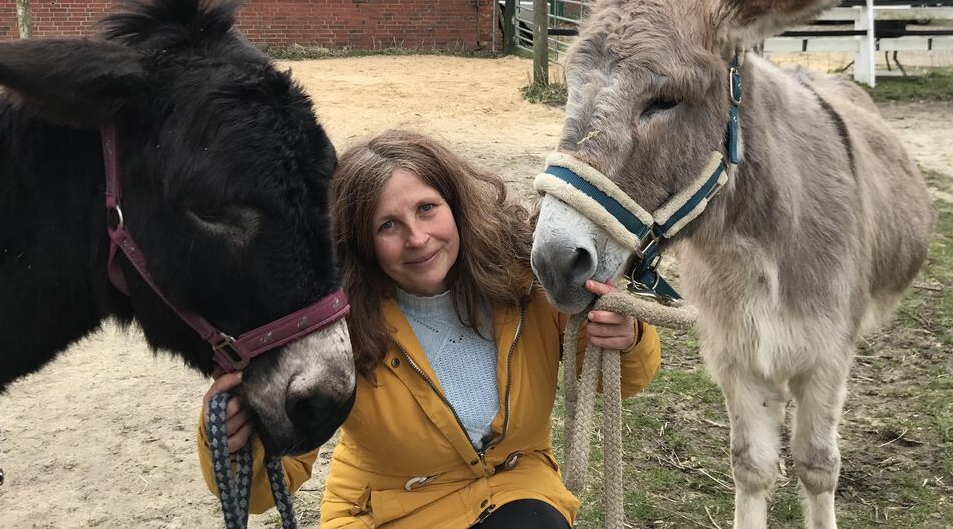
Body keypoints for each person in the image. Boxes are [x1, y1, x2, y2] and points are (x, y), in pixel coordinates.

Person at [197, 130, 661, 528]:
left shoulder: (528, 275)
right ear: (361, 240)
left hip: (515, 488)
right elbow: (264, 489)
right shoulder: (332, 324)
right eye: (388, 225)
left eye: (426, 208)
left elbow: (618, 381)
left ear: (455, 204)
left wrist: (627, 336)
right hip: (387, 512)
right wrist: (243, 442)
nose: (417, 239)